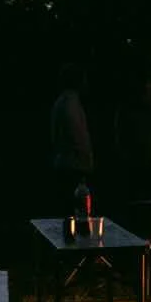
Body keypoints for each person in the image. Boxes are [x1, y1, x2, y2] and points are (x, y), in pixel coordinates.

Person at [48, 62, 93, 211]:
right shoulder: (70, 103)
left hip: (66, 162)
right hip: (74, 165)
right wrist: (87, 159)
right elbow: (78, 135)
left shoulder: (63, 101)